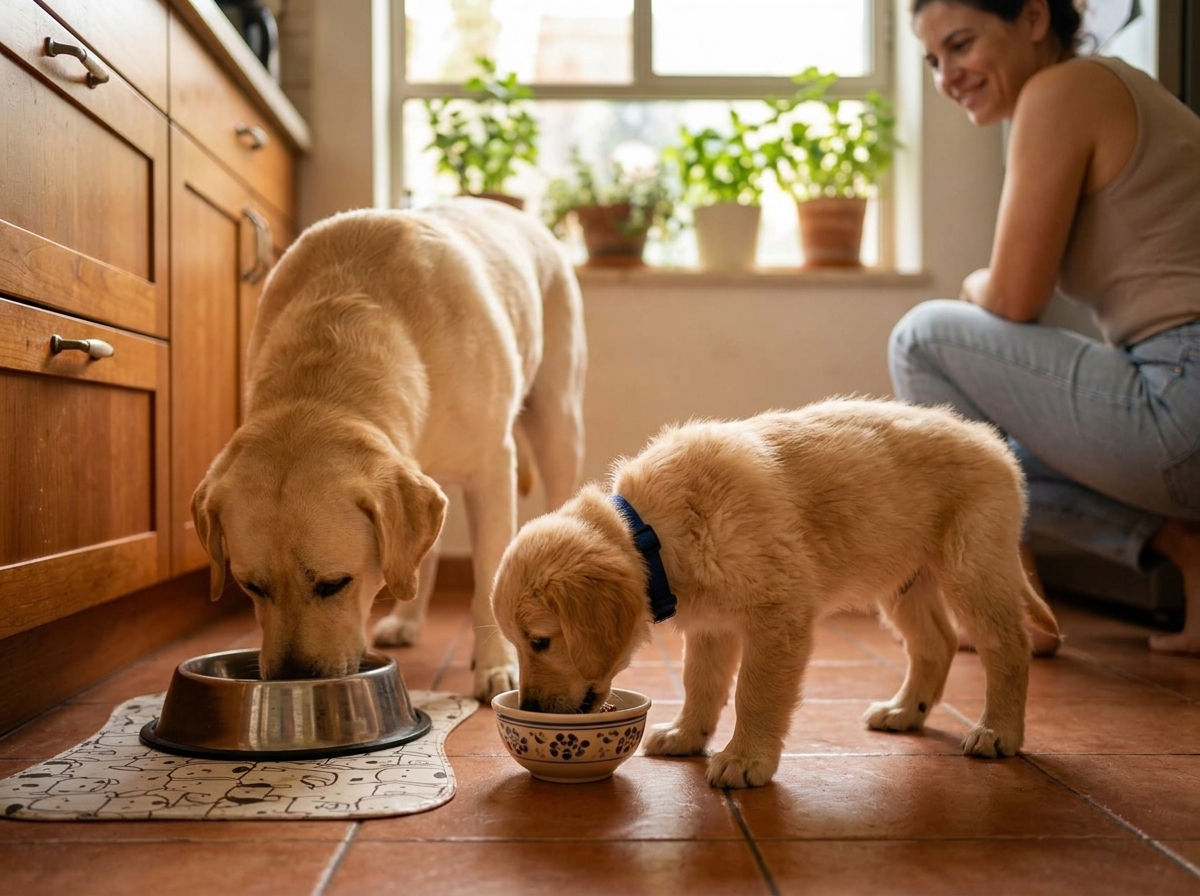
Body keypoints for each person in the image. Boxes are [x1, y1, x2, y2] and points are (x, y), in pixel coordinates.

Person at [889, 0, 1200, 654]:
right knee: (990, 465)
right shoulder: (1099, 89)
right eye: (933, 59)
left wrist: (975, 285)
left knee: (922, 340)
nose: (947, 76)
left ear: (1033, 18)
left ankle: (1003, 607)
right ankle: (1184, 551)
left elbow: (1013, 297)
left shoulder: (1066, 90)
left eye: (962, 44)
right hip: (1180, 393)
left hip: (1184, 396)